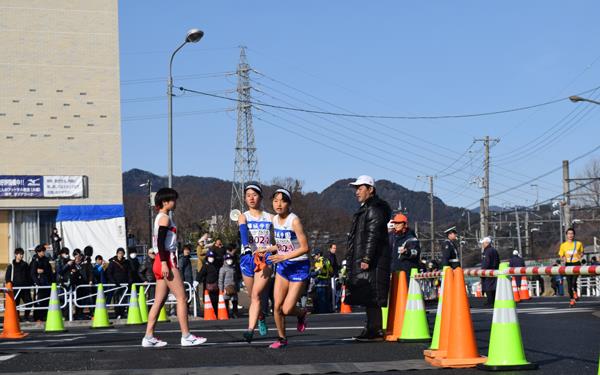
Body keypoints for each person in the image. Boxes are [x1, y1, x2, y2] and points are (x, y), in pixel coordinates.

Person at [142, 187, 206, 347]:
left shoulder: (159, 217)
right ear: (165, 202)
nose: (175, 202)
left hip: (160, 260)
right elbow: (160, 242)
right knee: (182, 298)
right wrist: (164, 262)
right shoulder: (164, 218)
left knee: (159, 300)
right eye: (173, 200)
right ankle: (186, 335)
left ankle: (148, 336)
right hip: (166, 260)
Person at [345, 175, 392, 342]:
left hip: (374, 261)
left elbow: (373, 235)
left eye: (360, 188)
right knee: (368, 295)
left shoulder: (373, 210)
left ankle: (375, 329)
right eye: (356, 189)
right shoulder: (366, 208)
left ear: (370, 189)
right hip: (369, 258)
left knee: (373, 294)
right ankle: (371, 327)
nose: (357, 192)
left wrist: (366, 258)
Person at [268, 188, 310, 349]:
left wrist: (284, 256)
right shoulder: (274, 220)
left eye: (282, 200)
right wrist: (267, 249)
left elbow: (305, 247)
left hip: (299, 266)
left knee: (287, 308)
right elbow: (281, 244)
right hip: (283, 267)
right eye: (275, 200)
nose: (278, 204)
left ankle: (301, 313)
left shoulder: (294, 221)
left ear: (289, 204)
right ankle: (282, 339)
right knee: (277, 307)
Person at [237, 183, 273, 343]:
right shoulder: (243, 216)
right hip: (247, 259)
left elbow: (282, 234)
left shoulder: (270, 217)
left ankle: (250, 330)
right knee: (253, 296)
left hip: (264, 259)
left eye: (254, 194)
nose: (251, 198)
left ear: (261, 197)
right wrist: (246, 247)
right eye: (248, 195)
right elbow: (243, 231)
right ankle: (261, 316)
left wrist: (271, 249)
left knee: (257, 294)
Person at [389, 213, 420, 285]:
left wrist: (407, 252)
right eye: (395, 223)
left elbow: (416, 252)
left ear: (405, 224)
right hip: (394, 272)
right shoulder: (392, 237)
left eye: (398, 223)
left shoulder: (411, 238)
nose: (396, 225)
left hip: (407, 273)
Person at [558, 228, 584, 307]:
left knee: (574, 281)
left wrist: (581, 255)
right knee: (569, 283)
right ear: (566, 235)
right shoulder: (563, 245)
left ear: (574, 235)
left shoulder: (579, 243)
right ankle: (572, 300)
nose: (570, 235)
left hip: (576, 264)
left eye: (572, 233)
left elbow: (582, 252)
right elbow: (561, 255)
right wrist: (563, 258)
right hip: (568, 264)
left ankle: (575, 291)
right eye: (569, 233)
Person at [5, 248, 33, 321]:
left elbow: (29, 276)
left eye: (22, 254)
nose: (21, 256)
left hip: (25, 288)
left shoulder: (25, 265)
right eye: (19, 254)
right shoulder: (11, 266)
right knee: (15, 304)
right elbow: (7, 277)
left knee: (29, 302)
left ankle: (26, 316)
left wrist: (30, 284)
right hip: (15, 288)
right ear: (15, 255)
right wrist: (9, 284)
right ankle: (17, 318)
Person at [29, 244, 53, 322]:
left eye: (44, 251)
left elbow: (49, 270)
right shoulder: (35, 260)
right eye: (42, 251)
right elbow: (32, 273)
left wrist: (43, 271)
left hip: (46, 282)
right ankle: (37, 317)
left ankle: (44, 316)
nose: (43, 253)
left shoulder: (46, 259)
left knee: (46, 300)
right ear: (38, 252)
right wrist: (37, 283)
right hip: (39, 284)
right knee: (38, 301)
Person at [106, 248, 132, 319]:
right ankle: (117, 313)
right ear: (117, 254)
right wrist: (114, 282)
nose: (120, 254)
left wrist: (130, 281)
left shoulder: (126, 262)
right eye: (119, 253)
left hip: (125, 284)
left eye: (122, 253)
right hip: (116, 284)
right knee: (116, 298)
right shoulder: (112, 263)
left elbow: (129, 272)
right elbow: (109, 273)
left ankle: (122, 313)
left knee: (124, 298)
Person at [311, 249, 334, 314]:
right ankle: (327, 310)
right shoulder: (326, 260)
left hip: (320, 282)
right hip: (326, 282)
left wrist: (315, 272)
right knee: (326, 298)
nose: (314, 257)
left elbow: (319, 271)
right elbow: (331, 271)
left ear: (318, 254)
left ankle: (321, 312)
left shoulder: (320, 261)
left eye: (314, 256)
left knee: (321, 299)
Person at [481, 237, 500, 307]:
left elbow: (486, 262)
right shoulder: (494, 250)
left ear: (487, 243)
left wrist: (483, 270)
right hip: (494, 270)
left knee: (488, 286)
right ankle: (494, 300)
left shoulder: (487, 251)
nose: (482, 244)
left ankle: (490, 301)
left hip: (488, 271)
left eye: (483, 243)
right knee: (493, 286)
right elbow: (498, 261)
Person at [219, 253, 239, 318]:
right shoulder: (222, 269)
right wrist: (221, 289)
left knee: (235, 301)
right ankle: (226, 313)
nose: (229, 261)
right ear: (225, 260)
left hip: (233, 287)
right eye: (227, 259)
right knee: (226, 301)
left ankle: (235, 313)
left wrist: (237, 287)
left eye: (230, 259)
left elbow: (236, 279)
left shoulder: (233, 268)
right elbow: (221, 280)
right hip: (226, 288)